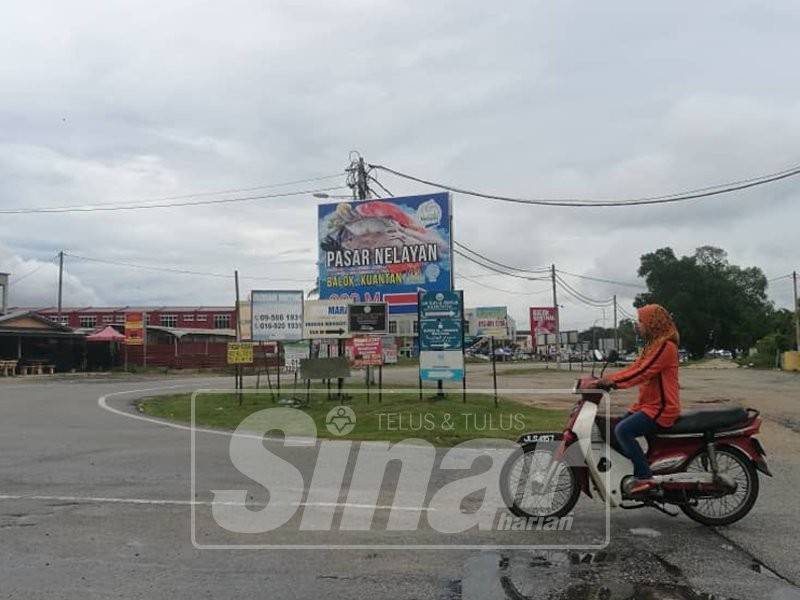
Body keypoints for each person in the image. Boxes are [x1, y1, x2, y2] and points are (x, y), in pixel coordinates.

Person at [590, 304, 681, 494]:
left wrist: (613, 383)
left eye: (641, 321)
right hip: (647, 406)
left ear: (653, 323)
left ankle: (644, 477)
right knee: (612, 429)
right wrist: (606, 380)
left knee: (623, 430)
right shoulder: (652, 346)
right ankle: (635, 466)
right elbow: (633, 368)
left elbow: (642, 372)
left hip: (661, 408)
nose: (638, 325)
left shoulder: (666, 347)